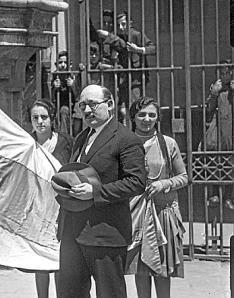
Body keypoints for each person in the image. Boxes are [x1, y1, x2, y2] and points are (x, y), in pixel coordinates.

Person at [55, 84, 147, 298]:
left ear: (110, 104)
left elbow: (136, 182)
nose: (87, 111)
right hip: (73, 232)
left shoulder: (126, 139)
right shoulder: (81, 138)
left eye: (93, 105)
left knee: (109, 294)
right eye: (82, 105)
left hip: (105, 234)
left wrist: (95, 192)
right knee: (69, 292)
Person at [126, 97, 189, 298]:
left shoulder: (168, 143)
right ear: (133, 117)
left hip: (164, 213)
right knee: (141, 269)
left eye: (152, 115)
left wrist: (164, 184)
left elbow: (184, 177)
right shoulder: (125, 143)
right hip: (136, 215)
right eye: (141, 114)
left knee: (162, 269)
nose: (147, 119)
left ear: (157, 118)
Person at [27, 99, 73, 298]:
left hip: (62, 207)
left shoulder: (66, 142)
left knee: (61, 257)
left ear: (52, 119)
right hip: (37, 207)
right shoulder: (26, 144)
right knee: (41, 261)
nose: (39, 121)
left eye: (44, 117)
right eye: (35, 117)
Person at [97, 11, 156, 111]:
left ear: (130, 23)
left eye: (123, 24)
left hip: (135, 77)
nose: (121, 27)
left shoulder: (136, 34)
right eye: (118, 24)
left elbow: (153, 48)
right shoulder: (118, 35)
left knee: (134, 105)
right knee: (122, 109)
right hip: (122, 77)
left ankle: (134, 126)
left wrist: (139, 49)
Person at [204, 64, 234, 209]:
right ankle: (215, 194)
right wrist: (214, 93)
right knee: (216, 160)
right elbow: (209, 109)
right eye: (222, 73)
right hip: (219, 128)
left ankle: (229, 196)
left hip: (231, 128)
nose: (225, 75)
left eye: (228, 72)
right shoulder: (216, 87)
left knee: (231, 161)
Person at [51, 51, 77, 134]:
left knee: (64, 110)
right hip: (56, 105)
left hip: (71, 106)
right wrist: (54, 88)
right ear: (56, 65)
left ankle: (63, 138)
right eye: (60, 62)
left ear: (70, 65)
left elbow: (78, 96)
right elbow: (49, 96)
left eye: (65, 62)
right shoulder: (54, 76)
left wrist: (73, 86)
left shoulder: (73, 76)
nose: (63, 65)